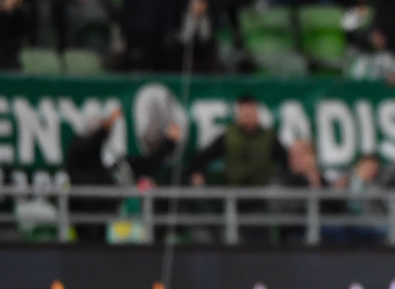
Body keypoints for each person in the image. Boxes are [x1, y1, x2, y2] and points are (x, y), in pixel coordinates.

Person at [66, 108, 180, 241]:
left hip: (114, 228)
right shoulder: (78, 151)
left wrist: (170, 142)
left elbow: (147, 164)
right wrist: (107, 124)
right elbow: (91, 145)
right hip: (86, 227)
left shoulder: (116, 162)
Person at [189, 95, 287, 187]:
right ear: (238, 115)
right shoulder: (228, 137)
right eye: (245, 113)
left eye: (252, 113)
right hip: (234, 191)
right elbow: (202, 157)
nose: (249, 117)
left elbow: (286, 159)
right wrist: (198, 172)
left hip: (262, 191)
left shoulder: (268, 138)